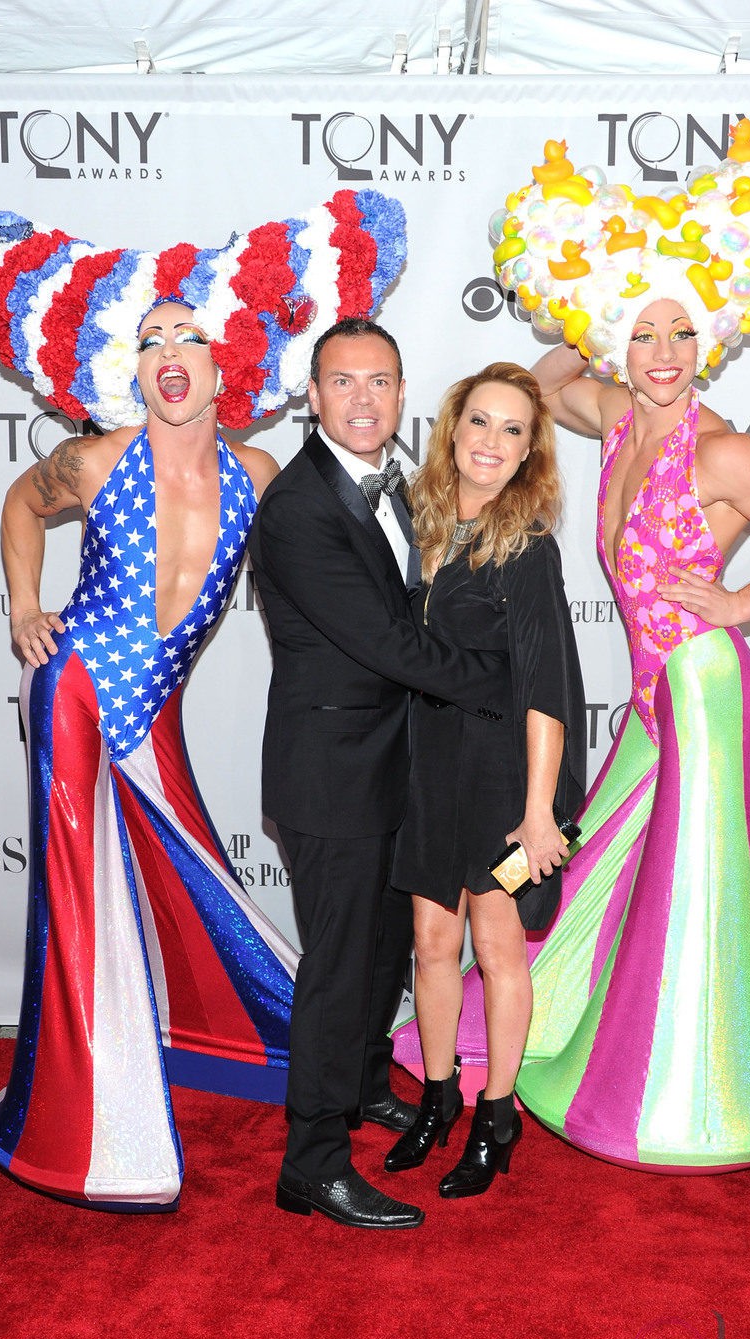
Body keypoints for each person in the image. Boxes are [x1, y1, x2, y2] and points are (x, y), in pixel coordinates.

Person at [0, 193, 407, 1210]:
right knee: (81, 903)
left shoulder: (258, 472)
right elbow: (22, 505)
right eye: (151, 337)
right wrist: (25, 602)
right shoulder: (99, 458)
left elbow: (324, 571)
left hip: (151, 711)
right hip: (71, 691)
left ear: (224, 364)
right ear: (130, 366)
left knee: (184, 869)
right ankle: (84, 1127)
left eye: (188, 336)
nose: (169, 350)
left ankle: (274, 1045)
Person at [484, 122, 750, 1171]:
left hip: (701, 686)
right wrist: (599, 311)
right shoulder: (613, 414)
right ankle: (614, 1039)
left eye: (679, 335)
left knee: (694, 879)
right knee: (611, 852)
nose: (659, 354)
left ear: (709, 343)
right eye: (641, 334)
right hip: (655, 688)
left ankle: (701, 1093)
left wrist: (741, 607)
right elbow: (545, 375)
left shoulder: (725, 451)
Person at [249, 319, 515, 1230]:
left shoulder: (396, 484)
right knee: (335, 966)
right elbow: (392, 645)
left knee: (378, 952)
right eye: (344, 382)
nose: (364, 399)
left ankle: (363, 1086)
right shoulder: (298, 509)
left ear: (404, 394)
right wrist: (506, 680)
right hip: (330, 774)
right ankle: (311, 1163)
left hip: (394, 765)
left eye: (382, 381)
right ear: (312, 396)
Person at [385, 363, 586, 1198]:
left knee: (500, 955)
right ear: (453, 429)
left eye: (513, 429)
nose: (492, 442)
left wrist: (540, 813)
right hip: (427, 769)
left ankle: (495, 1116)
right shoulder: (419, 523)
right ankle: (437, 1096)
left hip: (506, 781)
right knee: (433, 946)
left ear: (531, 450)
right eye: (480, 423)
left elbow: (548, 689)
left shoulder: (527, 548)